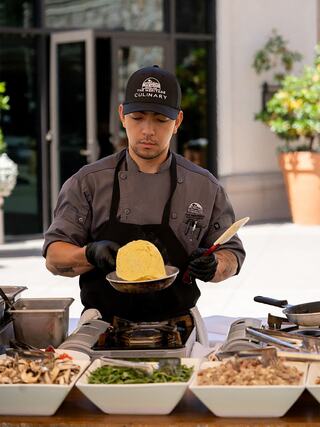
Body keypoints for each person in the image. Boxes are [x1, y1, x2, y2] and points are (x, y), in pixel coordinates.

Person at [43, 65, 246, 326]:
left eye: (161, 120)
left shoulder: (204, 186)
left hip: (178, 325)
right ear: (122, 115)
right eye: (138, 117)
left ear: (178, 122)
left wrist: (215, 265)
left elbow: (231, 253)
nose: (148, 131)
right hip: (101, 326)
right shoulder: (88, 182)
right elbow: (54, 258)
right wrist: (89, 253)